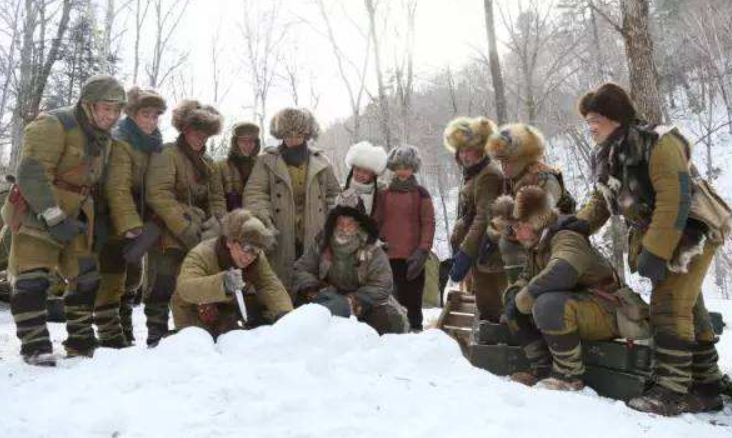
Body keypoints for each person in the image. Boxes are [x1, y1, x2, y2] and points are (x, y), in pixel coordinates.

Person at [562, 82, 727, 415]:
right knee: (689, 307)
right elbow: (603, 199)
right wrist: (579, 223)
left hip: (690, 230)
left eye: (595, 119)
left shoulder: (658, 142)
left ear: (615, 117)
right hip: (664, 233)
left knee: (669, 306)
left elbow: (675, 198)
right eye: (588, 120)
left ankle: (672, 390)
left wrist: (656, 250)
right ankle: (706, 385)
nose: (590, 126)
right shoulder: (608, 152)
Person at [2, 75, 126, 364]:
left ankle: (80, 341)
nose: (111, 115)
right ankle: (35, 345)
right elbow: (31, 174)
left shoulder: (104, 139)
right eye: (105, 108)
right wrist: (54, 217)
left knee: (86, 277)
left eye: (116, 110)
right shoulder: (54, 124)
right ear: (88, 105)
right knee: (32, 279)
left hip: (79, 215)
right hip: (38, 210)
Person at [501, 186, 649, 390]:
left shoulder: (565, 237)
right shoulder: (537, 245)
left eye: (518, 227)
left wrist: (526, 295)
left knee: (547, 304)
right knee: (515, 303)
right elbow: (527, 277)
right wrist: (514, 294)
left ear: (534, 221)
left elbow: (562, 272)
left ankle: (568, 375)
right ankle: (542, 368)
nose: (515, 235)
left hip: (609, 309)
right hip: (584, 307)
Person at [144, 99, 226, 347]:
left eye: (205, 134)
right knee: (161, 283)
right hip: (166, 233)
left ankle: (189, 331)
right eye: (196, 132)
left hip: (200, 234)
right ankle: (155, 334)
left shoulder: (209, 164)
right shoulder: (167, 153)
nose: (200, 138)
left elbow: (217, 198)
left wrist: (216, 224)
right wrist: (185, 228)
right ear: (184, 129)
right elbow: (159, 194)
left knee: (192, 284)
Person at [94, 86, 167, 348]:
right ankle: (109, 332)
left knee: (133, 276)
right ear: (133, 115)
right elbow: (117, 187)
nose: (151, 120)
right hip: (112, 218)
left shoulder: (153, 144)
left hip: (139, 220)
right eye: (145, 114)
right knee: (112, 276)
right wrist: (129, 225)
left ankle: (124, 324)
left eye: (155, 115)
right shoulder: (121, 141)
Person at [243, 108, 341, 292]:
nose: (293, 139)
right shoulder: (266, 161)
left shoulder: (321, 161)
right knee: (279, 280)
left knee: (311, 280)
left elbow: (333, 194)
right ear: (281, 134)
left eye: (299, 134)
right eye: (288, 134)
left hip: (314, 230)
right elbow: (255, 193)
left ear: (306, 134)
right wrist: (265, 218)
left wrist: (331, 222)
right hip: (279, 229)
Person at [293, 190, 408, 334]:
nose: (344, 228)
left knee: (386, 321)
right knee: (302, 309)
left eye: (350, 224)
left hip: (364, 303)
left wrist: (354, 301)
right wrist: (315, 288)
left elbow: (382, 284)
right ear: (333, 223)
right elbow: (301, 268)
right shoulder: (322, 244)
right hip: (329, 297)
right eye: (340, 223)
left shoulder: (373, 249)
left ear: (359, 226)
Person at [172, 209, 293, 338]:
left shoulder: (257, 258)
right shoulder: (202, 254)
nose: (249, 256)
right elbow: (185, 288)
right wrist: (223, 284)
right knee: (203, 347)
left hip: (226, 311)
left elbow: (270, 286)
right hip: (192, 311)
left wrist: (286, 316)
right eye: (246, 248)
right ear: (230, 241)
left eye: (256, 251)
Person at [485, 123, 575, 284]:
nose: (503, 167)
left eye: (509, 161)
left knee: (508, 245)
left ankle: (522, 295)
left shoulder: (545, 179)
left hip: (556, 242)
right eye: (501, 162)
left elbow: (536, 224)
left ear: (523, 159)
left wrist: (505, 229)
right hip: (532, 244)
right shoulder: (512, 181)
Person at [444, 116, 507, 322]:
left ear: (481, 149)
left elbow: (483, 218)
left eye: (469, 150)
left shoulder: (487, 175)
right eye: (461, 150)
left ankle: (498, 350)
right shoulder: (473, 174)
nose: (464, 155)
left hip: (488, 252)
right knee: (484, 306)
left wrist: (465, 253)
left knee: (494, 308)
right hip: (478, 252)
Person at [373, 145, 435, 332]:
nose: (402, 171)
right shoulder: (384, 193)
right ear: (393, 167)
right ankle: (394, 332)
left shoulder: (421, 193)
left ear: (413, 168)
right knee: (392, 299)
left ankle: (415, 330)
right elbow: (376, 220)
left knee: (414, 298)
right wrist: (377, 243)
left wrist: (423, 249)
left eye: (407, 167)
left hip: (413, 256)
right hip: (389, 256)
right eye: (399, 166)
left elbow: (428, 223)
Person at [218, 122, 261, 211]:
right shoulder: (222, 167)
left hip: (257, 216)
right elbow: (217, 199)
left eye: (251, 141)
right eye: (243, 140)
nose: (247, 145)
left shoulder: (261, 165)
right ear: (235, 142)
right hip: (231, 218)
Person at [343, 141, 388, 216]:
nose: (360, 174)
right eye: (357, 169)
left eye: (365, 172)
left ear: (373, 174)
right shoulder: (343, 191)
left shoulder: (381, 192)